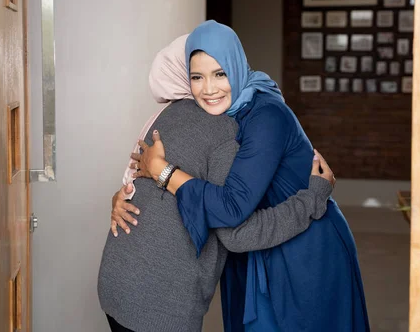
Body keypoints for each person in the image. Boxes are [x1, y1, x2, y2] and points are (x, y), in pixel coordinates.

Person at [133, 21, 369, 331]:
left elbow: (231, 207)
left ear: (236, 66)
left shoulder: (266, 115)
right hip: (253, 247)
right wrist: (124, 196)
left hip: (305, 249)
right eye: (197, 77)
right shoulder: (219, 117)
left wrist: (163, 172)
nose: (209, 89)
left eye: (220, 73)